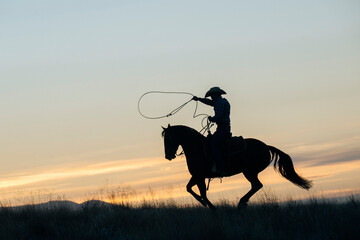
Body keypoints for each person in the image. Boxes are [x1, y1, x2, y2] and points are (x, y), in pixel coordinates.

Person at [192, 87, 231, 175]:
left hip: (223, 128)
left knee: (214, 144)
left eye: (212, 96)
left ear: (215, 95)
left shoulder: (221, 103)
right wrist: (198, 99)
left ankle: (221, 167)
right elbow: (209, 102)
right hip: (223, 127)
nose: (211, 97)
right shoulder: (219, 102)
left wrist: (211, 119)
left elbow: (219, 117)